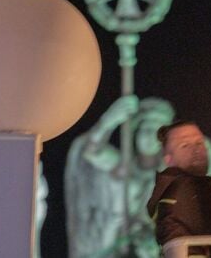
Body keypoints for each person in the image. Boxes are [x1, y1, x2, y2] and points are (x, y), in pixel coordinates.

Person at [65, 95, 175, 258]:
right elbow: (91, 151)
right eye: (145, 129)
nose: (148, 137)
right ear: (136, 132)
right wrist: (109, 120)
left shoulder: (170, 176)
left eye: (155, 132)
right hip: (111, 247)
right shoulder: (121, 166)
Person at [147, 121, 211, 257]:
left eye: (199, 143)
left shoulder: (195, 187)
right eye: (185, 145)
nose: (196, 149)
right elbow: (176, 235)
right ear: (169, 160)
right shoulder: (182, 189)